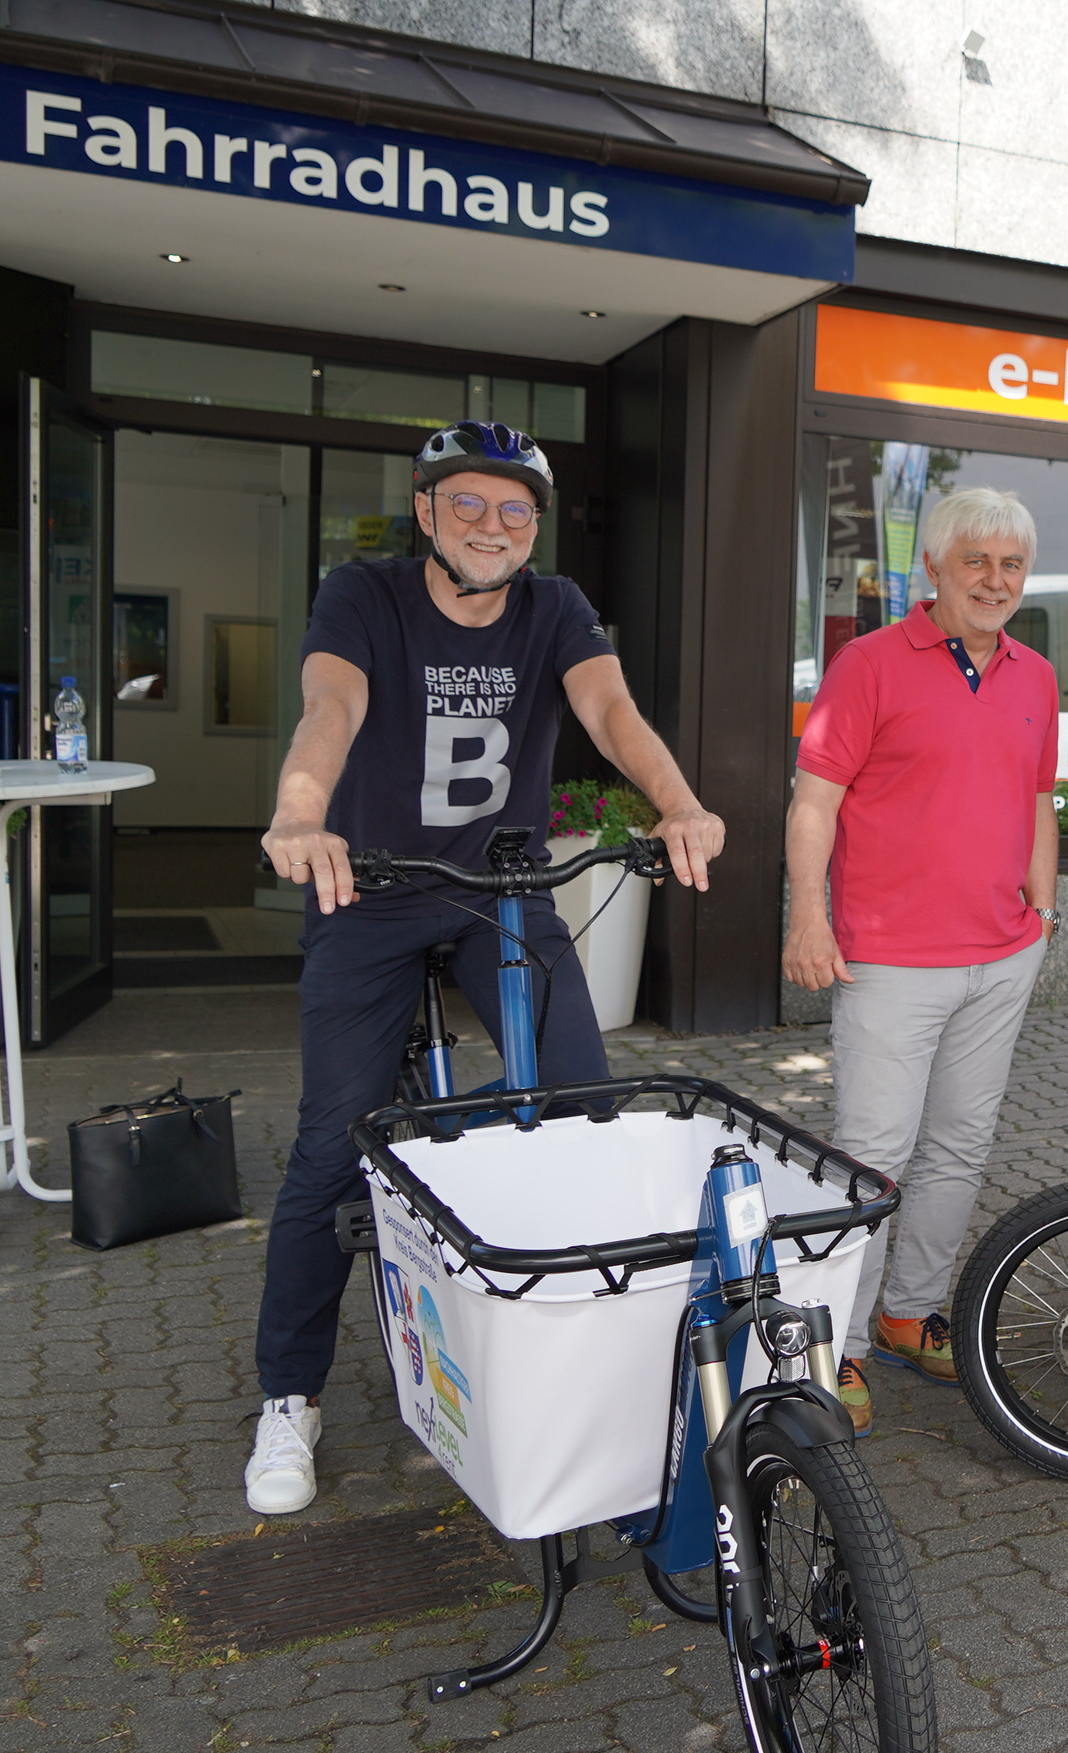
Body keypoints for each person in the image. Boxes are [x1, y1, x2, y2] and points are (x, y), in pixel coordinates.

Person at [251, 421, 726, 1515]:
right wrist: (298, 813)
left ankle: (598, 1369)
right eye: (467, 504)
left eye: (516, 510)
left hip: (499, 890)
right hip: (365, 886)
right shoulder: (361, 595)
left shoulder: (554, 608)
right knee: (335, 1140)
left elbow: (611, 712)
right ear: (424, 512)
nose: (492, 526)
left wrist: (680, 802)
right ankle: (289, 1396)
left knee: (582, 1108)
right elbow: (334, 708)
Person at [784, 486, 1059, 1436]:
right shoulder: (867, 664)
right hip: (889, 961)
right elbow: (813, 802)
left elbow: (1034, 802)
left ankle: (909, 1311)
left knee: (959, 1147)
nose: (994, 580)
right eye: (975, 561)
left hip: (1000, 956)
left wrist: (1043, 910)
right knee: (871, 1157)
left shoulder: (1034, 673)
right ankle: (837, 1344)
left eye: (1011, 565)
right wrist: (807, 921)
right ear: (932, 568)